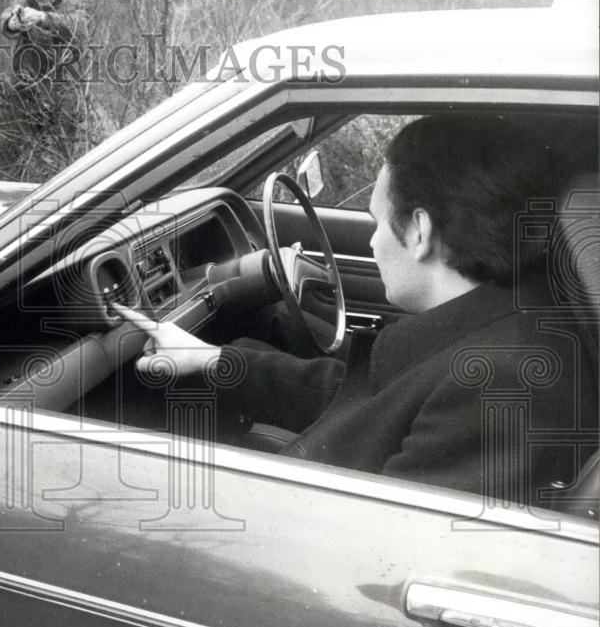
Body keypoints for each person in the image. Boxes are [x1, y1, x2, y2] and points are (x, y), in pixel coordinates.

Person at [114, 114, 598, 507]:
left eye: (376, 221)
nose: (370, 241)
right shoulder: (503, 320)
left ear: (419, 232)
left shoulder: (498, 382)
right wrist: (215, 361)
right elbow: (373, 398)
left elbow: (383, 549)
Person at [0, 0, 88, 86]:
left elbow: (80, 28)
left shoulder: (76, 2)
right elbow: (7, 15)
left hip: (63, 84)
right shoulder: (23, 0)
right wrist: (10, 23)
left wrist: (44, 18)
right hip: (24, 82)